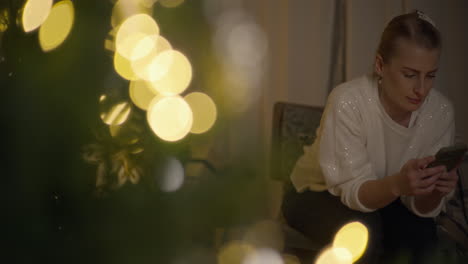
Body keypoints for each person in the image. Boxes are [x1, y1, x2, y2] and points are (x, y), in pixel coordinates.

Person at [281, 10, 460, 263]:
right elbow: (354, 191)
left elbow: (419, 208)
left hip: (388, 195)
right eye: (409, 75)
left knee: (421, 235)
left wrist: (434, 191)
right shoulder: (348, 101)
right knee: (363, 232)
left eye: (430, 75)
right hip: (316, 192)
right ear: (380, 65)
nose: (421, 89)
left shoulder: (440, 112)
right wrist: (398, 184)